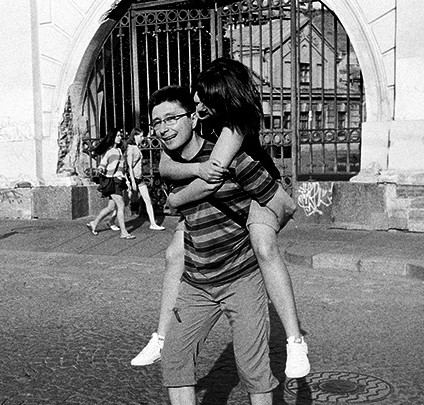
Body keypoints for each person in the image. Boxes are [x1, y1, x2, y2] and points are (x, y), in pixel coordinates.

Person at [131, 58, 309, 381]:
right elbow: (166, 167)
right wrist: (195, 168)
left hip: (259, 192)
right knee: (174, 254)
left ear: (224, 99)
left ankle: (295, 341)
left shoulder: (235, 126)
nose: (197, 105)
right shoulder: (200, 121)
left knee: (264, 246)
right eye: (196, 99)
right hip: (223, 193)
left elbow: (211, 179)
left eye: (204, 100)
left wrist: (174, 200)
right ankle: (161, 337)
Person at [143, 85, 280, 405]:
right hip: (197, 282)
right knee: (175, 358)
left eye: (171, 118)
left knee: (253, 368)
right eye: (157, 122)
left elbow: (275, 198)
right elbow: (182, 205)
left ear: (193, 116)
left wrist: (264, 229)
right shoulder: (170, 167)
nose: (164, 128)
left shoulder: (229, 154)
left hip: (242, 277)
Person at [85, 129, 135, 239]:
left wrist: (126, 181)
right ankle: (124, 232)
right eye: (117, 135)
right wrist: (101, 169)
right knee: (121, 205)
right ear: (112, 138)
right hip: (113, 181)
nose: (120, 137)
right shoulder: (109, 151)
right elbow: (103, 164)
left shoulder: (119, 151)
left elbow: (122, 169)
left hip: (119, 181)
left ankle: (93, 223)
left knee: (111, 207)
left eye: (120, 135)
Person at [125, 127, 166, 231]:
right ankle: (111, 220)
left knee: (147, 200)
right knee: (123, 202)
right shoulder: (131, 148)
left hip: (139, 178)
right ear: (135, 136)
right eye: (140, 136)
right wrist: (132, 181)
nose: (142, 138)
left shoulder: (136, 147)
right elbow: (129, 166)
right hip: (133, 178)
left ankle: (153, 223)